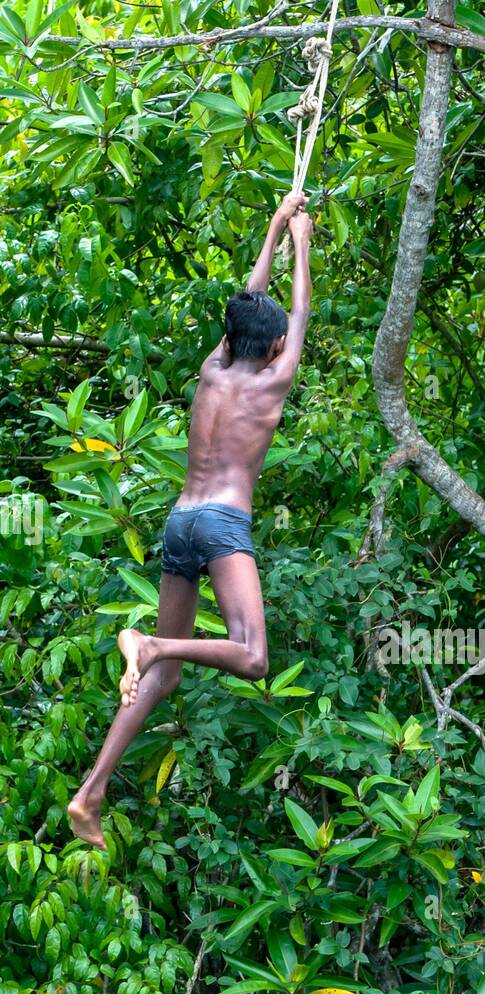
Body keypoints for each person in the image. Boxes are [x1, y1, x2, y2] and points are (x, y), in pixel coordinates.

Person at [67, 192, 314, 849]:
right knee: (254, 657)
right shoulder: (272, 380)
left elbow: (251, 307)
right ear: (275, 348)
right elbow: (295, 313)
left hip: (180, 522)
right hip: (223, 525)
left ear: (231, 340)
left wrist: (271, 231)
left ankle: (89, 794)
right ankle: (151, 645)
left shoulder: (213, 369)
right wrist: (305, 244)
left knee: (163, 685)